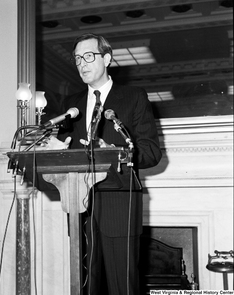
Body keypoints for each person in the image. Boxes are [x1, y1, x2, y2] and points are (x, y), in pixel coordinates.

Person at [49, 33, 162, 295]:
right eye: (77, 59)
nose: (82, 64)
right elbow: (64, 148)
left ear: (107, 58)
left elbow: (151, 152)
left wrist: (120, 154)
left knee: (123, 286)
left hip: (119, 204)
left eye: (89, 56)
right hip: (79, 205)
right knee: (86, 285)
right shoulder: (70, 105)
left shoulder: (134, 97)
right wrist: (54, 148)